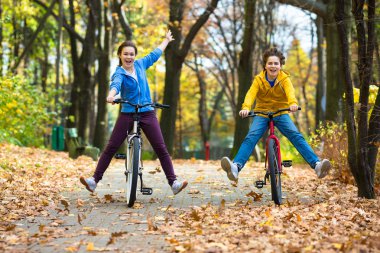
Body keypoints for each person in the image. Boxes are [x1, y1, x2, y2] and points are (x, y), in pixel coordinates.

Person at [80, 30, 188, 195]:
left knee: (160, 148)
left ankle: (173, 183)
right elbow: (115, 85)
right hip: (128, 113)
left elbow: (155, 54)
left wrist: (166, 40)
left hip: (147, 112)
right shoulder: (119, 73)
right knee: (111, 147)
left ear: (135, 56)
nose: (129, 57)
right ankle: (94, 180)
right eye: (126, 54)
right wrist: (111, 96)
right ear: (120, 55)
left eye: (131, 54)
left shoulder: (140, 65)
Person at [221, 47, 331, 181]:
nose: (273, 66)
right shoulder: (258, 80)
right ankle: (235, 167)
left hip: (281, 112)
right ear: (265, 65)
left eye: (276, 63)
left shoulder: (285, 79)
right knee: (251, 137)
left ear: (280, 65)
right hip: (262, 113)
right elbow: (251, 94)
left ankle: (317, 165)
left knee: (295, 135)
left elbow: (290, 92)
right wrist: (246, 107)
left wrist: (293, 103)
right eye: (270, 63)